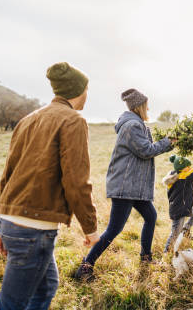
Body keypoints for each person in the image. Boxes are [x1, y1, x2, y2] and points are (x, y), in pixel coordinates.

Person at [0, 62, 100, 310]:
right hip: (33, 228)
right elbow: (76, 181)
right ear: (78, 90)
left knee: (46, 287)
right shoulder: (74, 120)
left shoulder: (28, 119)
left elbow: (7, 173)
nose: (88, 94)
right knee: (11, 304)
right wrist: (91, 228)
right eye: (87, 88)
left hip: (11, 220)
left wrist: (3, 223)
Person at [75, 88, 174, 281]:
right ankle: (86, 267)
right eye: (146, 105)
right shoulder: (132, 126)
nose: (148, 108)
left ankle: (146, 258)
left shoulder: (136, 124)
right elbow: (146, 150)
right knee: (114, 228)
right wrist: (169, 142)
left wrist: (168, 142)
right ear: (139, 107)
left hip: (132, 186)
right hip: (125, 186)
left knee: (151, 216)